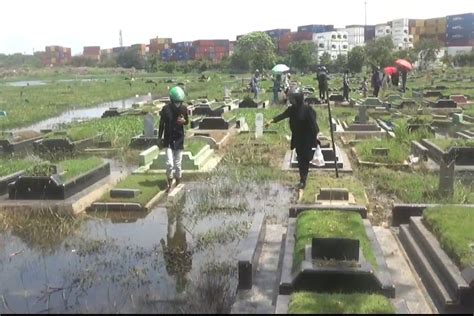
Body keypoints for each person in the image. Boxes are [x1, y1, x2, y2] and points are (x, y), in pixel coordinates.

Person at [265, 86, 320, 190]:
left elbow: (314, 126)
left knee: (305, 159)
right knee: (300, 159)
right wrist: (271, 121)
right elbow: (283, 115)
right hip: (298, 138)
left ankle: (303, 180)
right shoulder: (292, 110)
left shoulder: (308, 110)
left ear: (298, 99)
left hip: (307, 139)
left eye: (292, 99)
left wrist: (315, 139)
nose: (291, 101)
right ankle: (302, 178)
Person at [158, 86, 189, 193]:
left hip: (179, 139)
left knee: (178, 164)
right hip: (168, 140)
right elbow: (161, 124)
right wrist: (159, 138)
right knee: (170, 164)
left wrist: (184, 121)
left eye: (179, 102)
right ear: (172, 100)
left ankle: (178, 184)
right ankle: (169, 184)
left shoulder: (184, 109)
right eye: (176, 102)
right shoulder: (165, 109)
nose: (178, 104)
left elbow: (187, 122)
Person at [160, 201, 192, 295]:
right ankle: (178, 205)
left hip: (173, 244)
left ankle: (172, 207)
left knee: (171, 223)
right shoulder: (186, 269)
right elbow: (189, 253)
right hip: (181, 242)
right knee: (178, 221)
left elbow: (166, 257)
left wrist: (163, 245)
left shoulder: (172, 271)